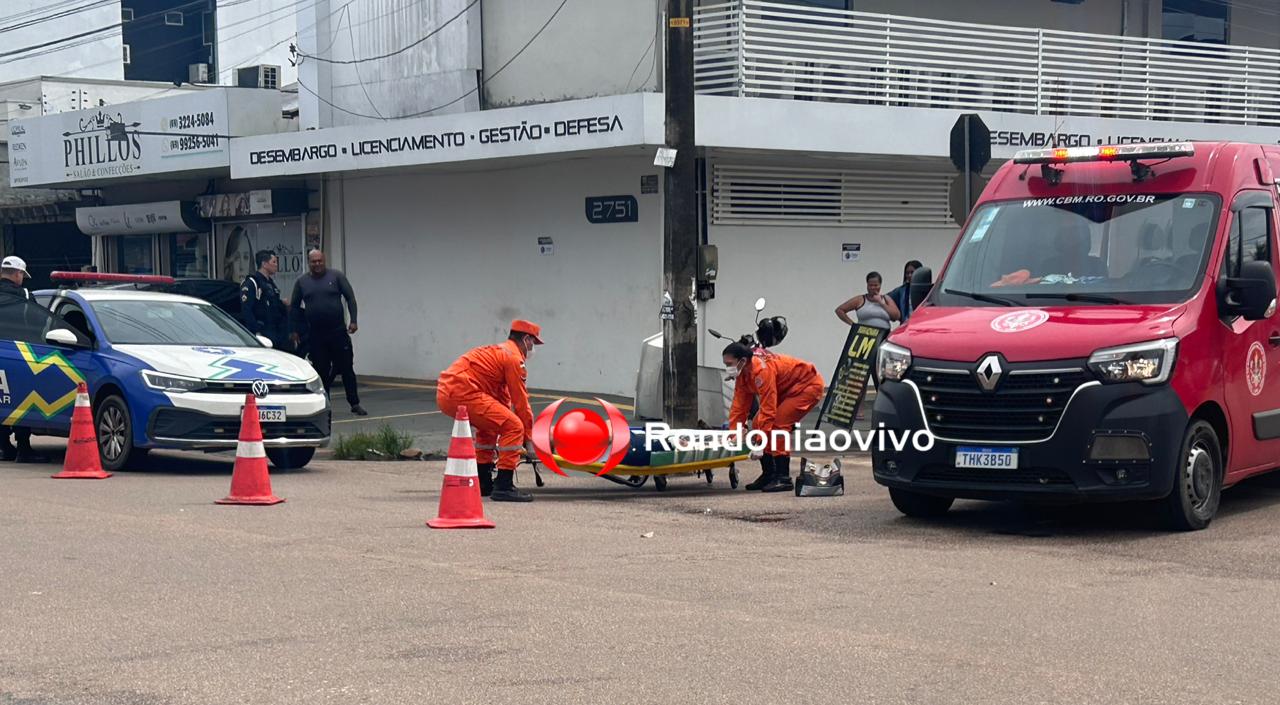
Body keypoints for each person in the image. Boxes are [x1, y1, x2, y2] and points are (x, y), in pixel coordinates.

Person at [436, 320, 543, 502]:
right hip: (463, 392)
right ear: (526, 339)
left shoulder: (499, 352)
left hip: (448, 392)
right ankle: (504, 486)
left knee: (492, 427)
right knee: (513, 426)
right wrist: (528, 436)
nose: (533, 348)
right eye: (533, 342)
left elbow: (503, 398)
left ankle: (484, 482)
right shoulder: (514, 359)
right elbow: (521, 402)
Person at [723, 342, 825, 493]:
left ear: (742, 361)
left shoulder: (761, 370)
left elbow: (768, 409)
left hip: (806, 386)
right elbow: (739, 408)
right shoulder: (743, 375)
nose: (727, 368)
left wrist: (759, 444)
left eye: (729, 364)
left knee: (779, 425)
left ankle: (783, 477)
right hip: (786, 389)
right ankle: (769, 474)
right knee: (758, 423)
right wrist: (735, 434)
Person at [289, 250, 366, 415]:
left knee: (346, 369)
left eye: (320, 261)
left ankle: (354, 403)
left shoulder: (336, 277)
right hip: (316, 335)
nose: (317, 264)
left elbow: (350, 298)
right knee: (321, 371)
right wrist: (294, 329)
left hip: (338, 332)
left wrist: (353, 320)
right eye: (313, 262)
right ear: (308, 263)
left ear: (324, 260)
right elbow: (294, 307)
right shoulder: (302, 282)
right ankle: (325, 404)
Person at [0, 256, 48, 463]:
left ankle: (3, 447)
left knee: (1, 399)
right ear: (18, 274)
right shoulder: (26, 294)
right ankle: (24, 448)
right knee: (22, 399)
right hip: (20, 354)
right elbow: (40, 321)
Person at [240, 250, 291, 352]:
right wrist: (256, 332)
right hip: (263, 332)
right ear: (264, 264)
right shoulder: (252, 283)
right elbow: (246, 309)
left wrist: (282, 303)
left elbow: (271, 304)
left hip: (276, 332)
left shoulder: (270, 284)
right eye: (274, 262)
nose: (276, 265)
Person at [834, 271, 900, 330]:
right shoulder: (860, 299)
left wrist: (881, 303)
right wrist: (853, 325)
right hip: (864, 337)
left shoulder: (886, 299)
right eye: (870, 285)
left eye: (875, 285)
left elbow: (896, 316)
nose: (873, 288)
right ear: (867, 285)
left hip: (883, 336)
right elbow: (840, 310)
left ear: (880, 285)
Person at [885, 260, 923, 324]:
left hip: (922, 324)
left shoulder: (928, 289)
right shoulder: (902, 291)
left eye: (912, 272)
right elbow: (887, 298)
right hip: (906, 324)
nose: (909, 275)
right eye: (907, 273)